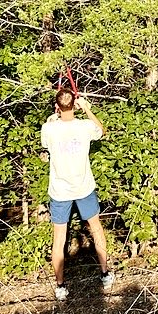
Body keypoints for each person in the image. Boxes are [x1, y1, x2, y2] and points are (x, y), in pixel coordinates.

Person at [41, 87, 114, 300]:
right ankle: (105, 274)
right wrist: (87, 109)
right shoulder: (84, 126)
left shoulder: (48, 128)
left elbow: (47, 144)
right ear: (74, 104)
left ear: (57, 105)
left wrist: (53, 117)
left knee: (59, 238)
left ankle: (61, 286)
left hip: (59, 191)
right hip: (84, 188)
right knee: (96, 229)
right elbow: (102, 130)